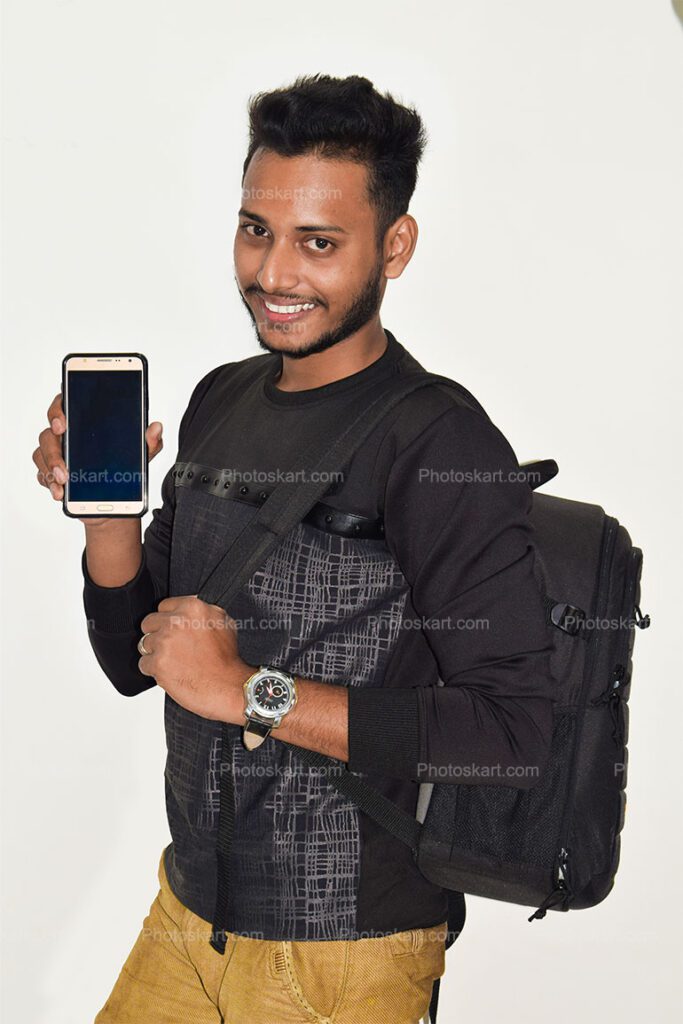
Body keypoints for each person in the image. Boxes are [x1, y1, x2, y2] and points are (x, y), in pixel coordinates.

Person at [33, 73, 555, 1024]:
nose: (274, 274)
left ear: (392, 246)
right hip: (189, 918)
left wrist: (249, 692)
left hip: (344, 956)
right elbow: (135, 660)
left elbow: (512, 735)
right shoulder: (222, 398)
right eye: (256, 230)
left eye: (320, 243)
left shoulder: (439, 443)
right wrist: (106, 517)